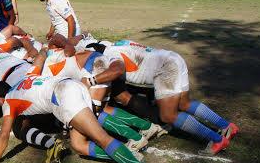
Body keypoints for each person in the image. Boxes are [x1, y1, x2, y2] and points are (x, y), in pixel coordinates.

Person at [0, 48, 157, 163]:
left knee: (101, 138)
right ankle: (128, 157)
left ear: (0, 99)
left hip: (63, 96)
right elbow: (39, 59)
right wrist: (44, 49)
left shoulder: (8, 102)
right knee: (78, 144)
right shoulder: (28, 77)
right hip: (73, 86)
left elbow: (4, 134)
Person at [86, 40, 240, 155]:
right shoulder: (119, 45)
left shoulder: (110, 54)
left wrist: (90, 81)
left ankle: (217, 140)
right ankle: (227, 126)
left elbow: (118, 70)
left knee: (168, 116)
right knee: (184, 104)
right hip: (173, 58)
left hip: (165, 68)